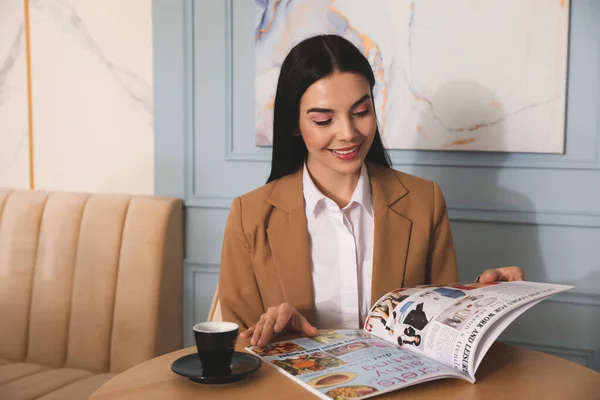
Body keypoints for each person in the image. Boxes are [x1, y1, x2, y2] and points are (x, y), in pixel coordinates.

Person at [218, 34, 524, 348]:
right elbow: (238, 348)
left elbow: (438, 324)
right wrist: (279, 332)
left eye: (361, 112)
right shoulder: (250, 215)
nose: (348, 134)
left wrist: (483, 297)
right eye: (324, 120)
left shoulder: (424, 202)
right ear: (294, 124)